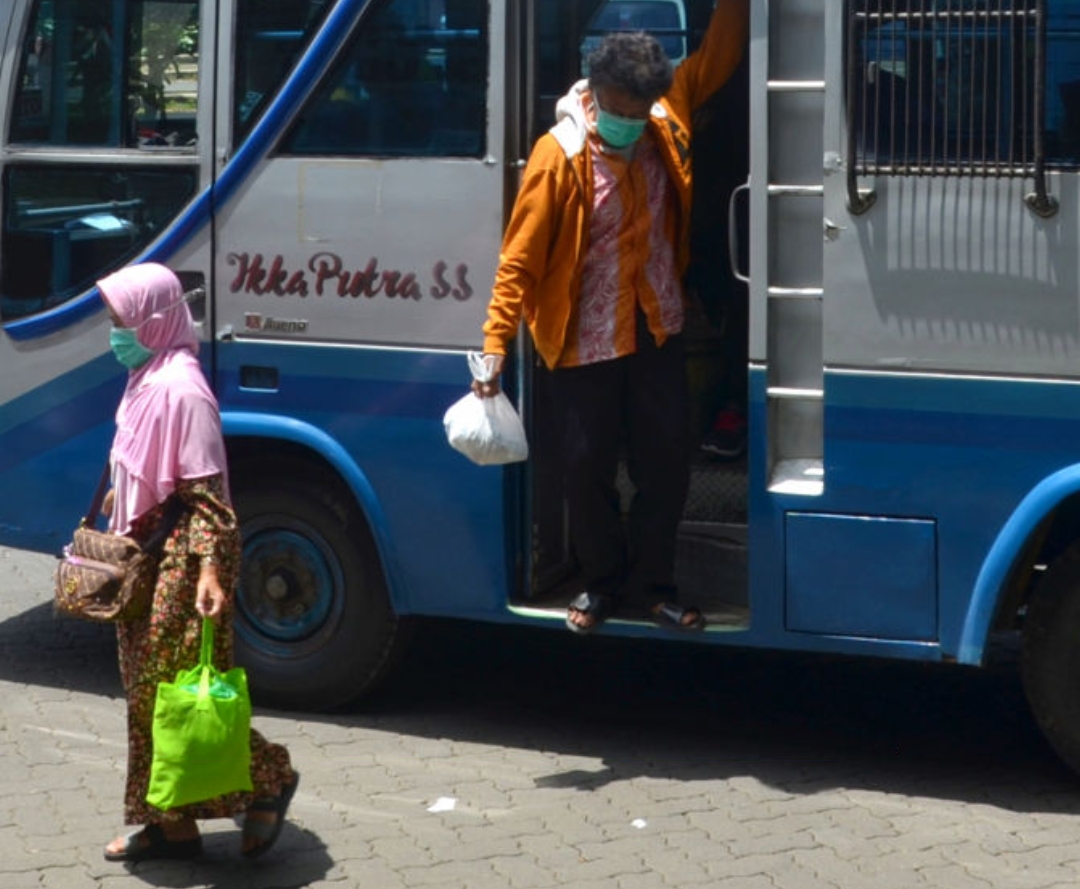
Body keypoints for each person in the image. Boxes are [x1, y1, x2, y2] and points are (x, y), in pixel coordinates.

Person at [473, 1, 749, 634]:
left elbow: (717, 59)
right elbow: (519, 259)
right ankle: (600, 583)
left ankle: (654, 586)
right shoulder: (559, 154)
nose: (630, 122)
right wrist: (493, 348)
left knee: (666, 465)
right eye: (620, 111)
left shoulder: (663, 113)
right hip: (581, 339)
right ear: (597, 94)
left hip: (655, 327)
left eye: (639, 111)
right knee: (585, 467)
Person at [97, 263, 299, 862]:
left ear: (154, 321)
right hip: (145, 555)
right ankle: (171, 825)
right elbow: (139, 457)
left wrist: (211, 572)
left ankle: (270, 777)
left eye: (121, 322)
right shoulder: (146, 376)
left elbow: (210, 498)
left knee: (175, 693)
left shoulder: (183, 390)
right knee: (144, 692)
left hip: (184, 561)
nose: (115, 334)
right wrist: (122, 494)